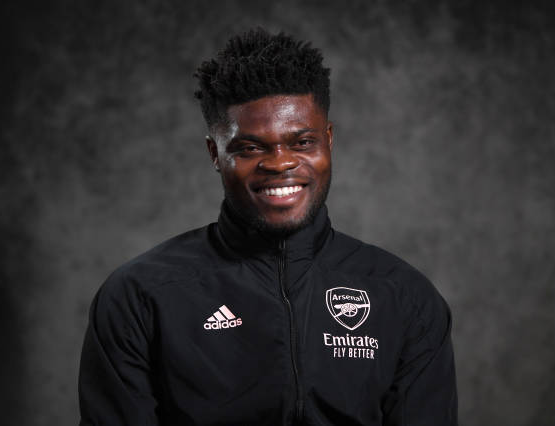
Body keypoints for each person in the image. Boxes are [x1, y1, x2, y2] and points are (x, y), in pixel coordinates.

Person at [78, 28, 458, 425]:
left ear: (328, 140)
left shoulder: (404, 297)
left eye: (302, 142)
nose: (279, 163)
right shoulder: (140, 297)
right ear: (215, 153)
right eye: (250, 147)